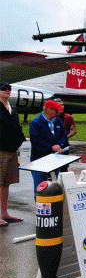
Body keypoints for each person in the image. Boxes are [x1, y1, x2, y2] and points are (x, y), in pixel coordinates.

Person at [29, 100, 67, 196]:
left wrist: (59, 145)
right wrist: (51, 147)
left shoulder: (58, 121)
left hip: (54, 160)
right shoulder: (36, 122)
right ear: (48, 110)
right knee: (40, 187)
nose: (58, 113)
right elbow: (36, 141)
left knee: (53, 185)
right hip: (39, 160)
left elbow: (63, 136)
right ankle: (39, 204)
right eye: (56, 110)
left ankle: (52, 204)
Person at [0, 82, 26, 226]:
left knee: (6, 183)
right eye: (4, 88)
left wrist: (19, 139)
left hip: (12, 149)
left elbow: (16, 125)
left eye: (9, 88)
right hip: (0, 149)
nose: (7, 90)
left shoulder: (12, 107)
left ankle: (4, 213)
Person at [54, 99, 76, 173]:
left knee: (64, 168)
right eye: (59, 105)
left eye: (62, 105)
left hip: (64, 145)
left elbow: (74, 131)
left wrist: (65, 137)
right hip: (53, 145)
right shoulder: (50, 118)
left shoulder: (68, 117)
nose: (61, 107)